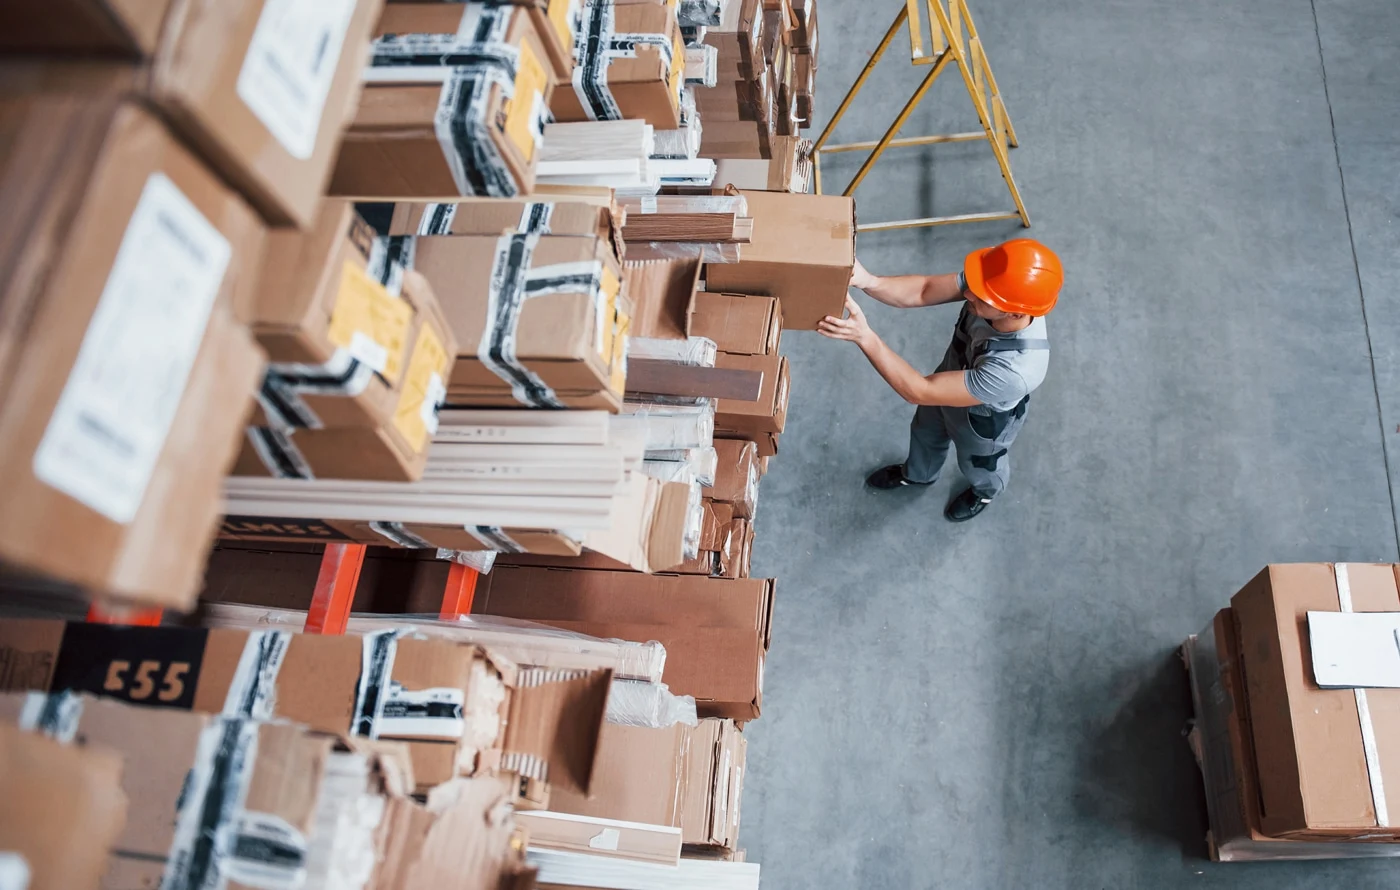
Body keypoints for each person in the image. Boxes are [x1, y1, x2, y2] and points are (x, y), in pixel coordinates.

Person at [818, 239, 1063, 521]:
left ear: (1015, 313)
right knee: (925, 431)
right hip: (951, 375)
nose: (968, 292)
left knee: (979, 463)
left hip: (983, 419)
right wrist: (868, 281)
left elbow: (919, 391)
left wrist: (864, 337)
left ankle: (985, 491)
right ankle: (918, 475)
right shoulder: (991, 285)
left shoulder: (1016, 369)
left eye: (981, 296)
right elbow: (923, 291)